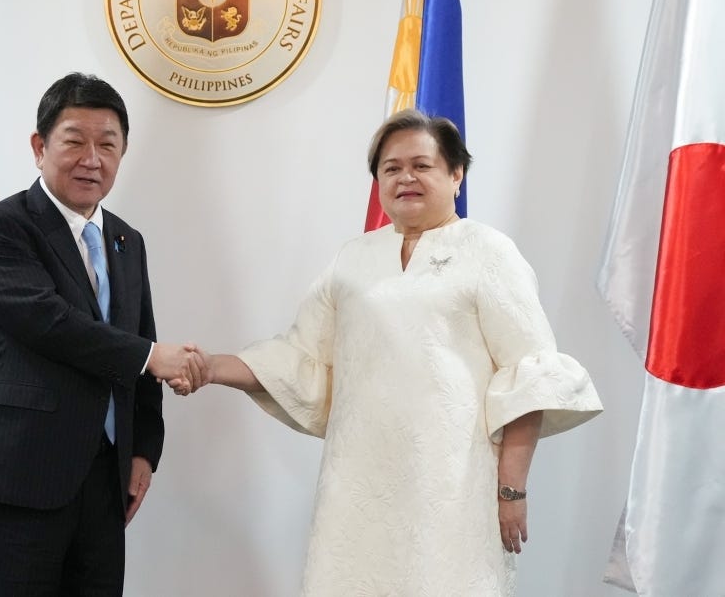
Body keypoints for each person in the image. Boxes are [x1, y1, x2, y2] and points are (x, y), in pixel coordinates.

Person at [183, 108, 603, 595]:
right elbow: (300, 361)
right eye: (391, 168)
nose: (406, 178)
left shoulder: (489, 252)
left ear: (456, 173)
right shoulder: (352, 259)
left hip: (454, 491)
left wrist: (511, 491)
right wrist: (210, 367)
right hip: (355, 489)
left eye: (422, 165)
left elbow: (529, 376)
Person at [0, 72, 205, 596]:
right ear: (39, 147)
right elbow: (48, 322)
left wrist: (144, 450)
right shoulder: (3, 227)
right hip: (18, 479)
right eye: (74, 141)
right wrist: (151, 356)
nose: (92, 159)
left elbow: (141, 339)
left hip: (104, 486)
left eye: (107, 145)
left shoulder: (126, 241)